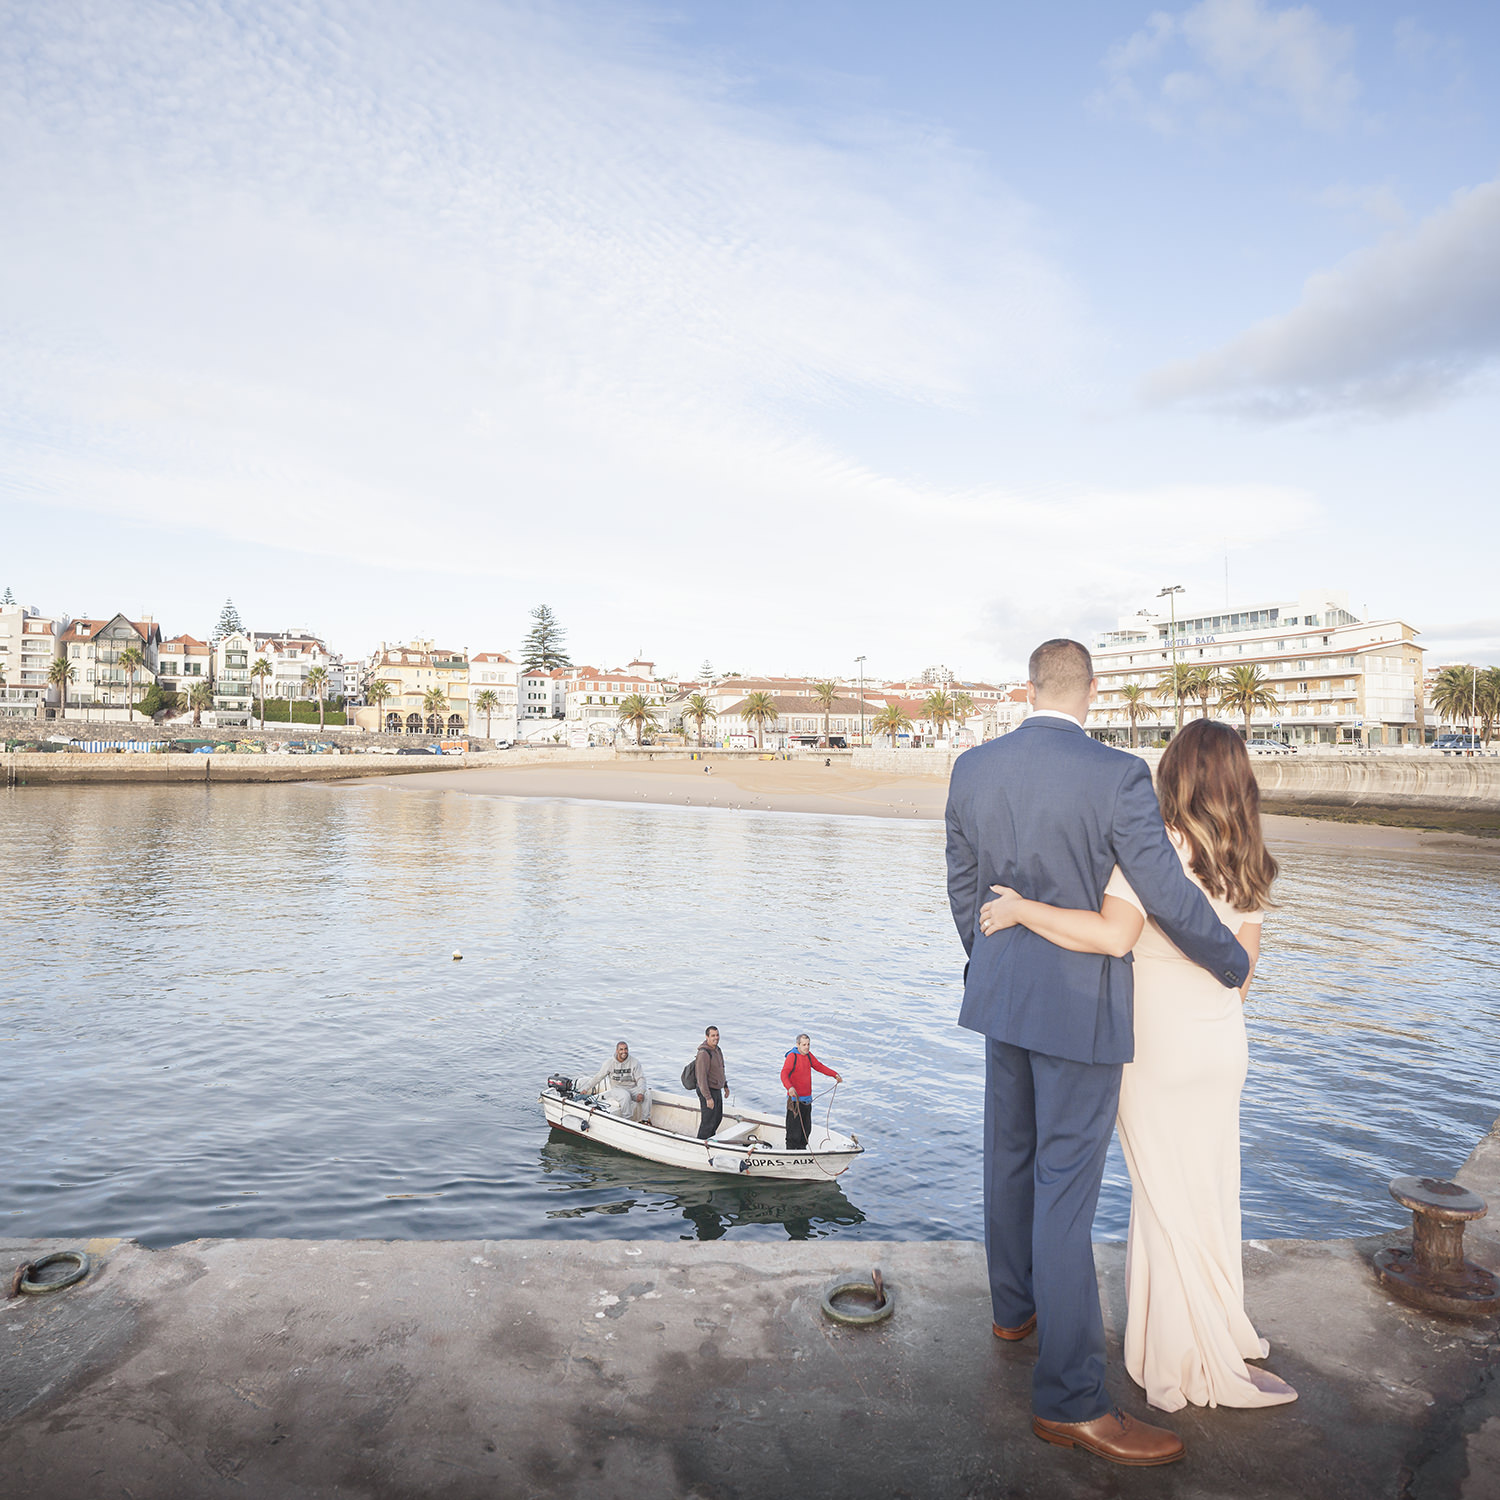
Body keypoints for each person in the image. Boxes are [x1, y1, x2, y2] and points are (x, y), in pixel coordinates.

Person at [945, 638, 1249, 1470]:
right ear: (1091, 692)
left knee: (1008, 1156)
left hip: (1002, 991)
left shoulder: (972, 767)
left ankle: (1014, 1310)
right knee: (1065, 1193)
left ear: (1028, 688)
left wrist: (988, 965)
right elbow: (1164, 891)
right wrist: (1231, 960)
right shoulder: (1117, 775)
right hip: (1079, 1009)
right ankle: (1071, 1402)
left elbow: (963, 886)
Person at [979, 718, 1296, 1413]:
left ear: (1174, 774)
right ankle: (1216, 1323)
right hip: (1220, 1045)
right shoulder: (1250, 855)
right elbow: (1239, 977)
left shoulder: (1159, 846)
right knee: (1209, 1191)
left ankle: (1184, 1354)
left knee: (1162, 1200)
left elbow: (1112, 934)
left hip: (1155, 1046)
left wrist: (1021, 910)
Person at [780, 1033, 841, 1150]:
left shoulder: (808, 1056)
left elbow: (819, 1066)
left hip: (807, 1100)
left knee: (806, 1130)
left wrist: (834, 1074)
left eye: (808, 1044)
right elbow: (784, 1074)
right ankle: (791, 1153)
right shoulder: (792, 1057)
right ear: (797, 1045)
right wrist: (789, 1087)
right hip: (795, 1101)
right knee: (794, 1132)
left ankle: (802, 1150)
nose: (806, 1047)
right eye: (804, 1045)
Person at [584, 1041, 650, 1124]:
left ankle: (645, 1120)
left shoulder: (634, 1062)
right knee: (625, 1096)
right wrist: (586, 1089)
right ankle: (627, 1121)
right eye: (621, 1049)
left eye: (626, 1049)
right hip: (617, 1089)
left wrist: (641, 1092)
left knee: (647, 1093)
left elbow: (641, 1078)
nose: (624, 1051)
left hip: (632, 1088)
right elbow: (598, 1077)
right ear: (617, 1051)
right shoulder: (609, 1063)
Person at [694, 1026, 728, 1140]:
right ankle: (700, 1144)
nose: (716, 1038)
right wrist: (708, 1097)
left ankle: (710, 1141)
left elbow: (721, 1069)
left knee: (717, 1118)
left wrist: (725, 1085)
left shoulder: (717, 1050)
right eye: (713, 1036)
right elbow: (701, 1077)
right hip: (707, 1090)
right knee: (708, 1121)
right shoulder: (704, 1053)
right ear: (707, 1037)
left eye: (717, 1035)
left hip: (716, 1088)